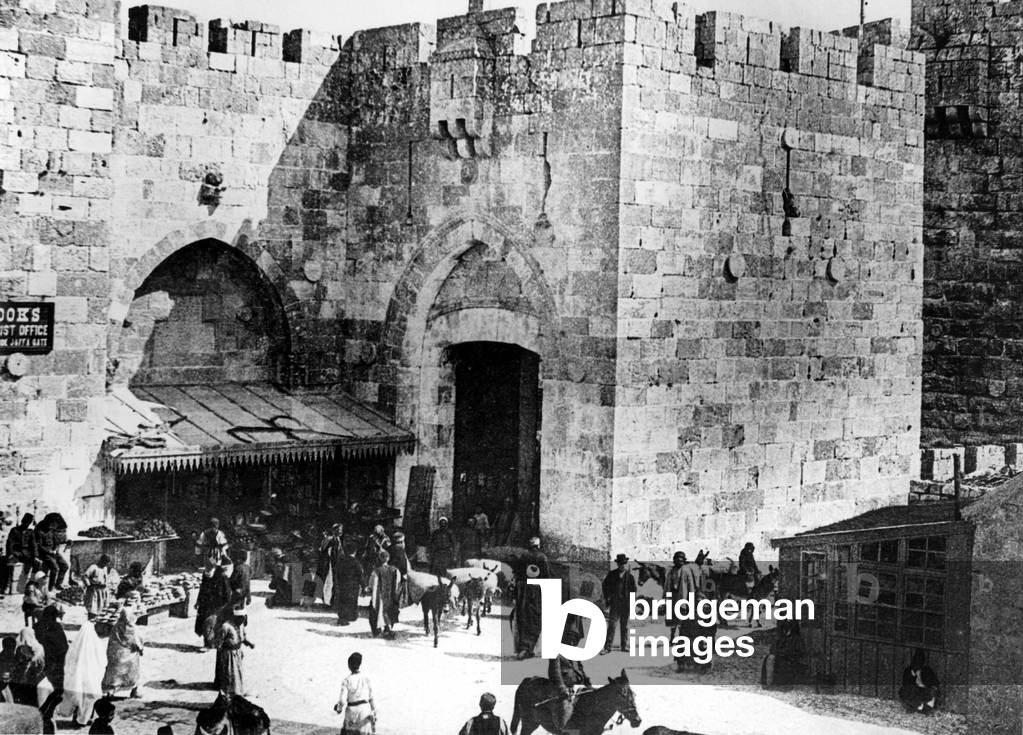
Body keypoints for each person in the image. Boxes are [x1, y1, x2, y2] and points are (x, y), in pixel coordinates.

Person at [55, 621, 106, 727]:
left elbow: (68, 660)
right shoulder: (96, 643)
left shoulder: (75, 645)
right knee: (90, 697)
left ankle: (76, 718)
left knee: (78, 697)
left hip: (77, 677)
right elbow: (103, 660)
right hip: (91, 677)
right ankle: (85, 719)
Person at [548, 615, 592, 732]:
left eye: (575, 638)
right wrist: (563, 689)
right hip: (563, 692)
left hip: (578, 690)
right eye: (570, 637)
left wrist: (588, 683)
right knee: (565, 710)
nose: (572, 641)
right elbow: (555, 673)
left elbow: (581, 670)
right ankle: (564, 731)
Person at [102, 607, 143, 699]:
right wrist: (140, 649)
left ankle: (111, 691)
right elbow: (137, 641)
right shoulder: (132, 628)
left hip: (117, 656)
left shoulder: (116, 627)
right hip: (130, 657)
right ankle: (134, 690)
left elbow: (111, 642)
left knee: (115, 676)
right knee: (133, 674)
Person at [601, 553, 636, 654]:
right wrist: (608, 597)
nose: (622, 566)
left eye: (624, 564)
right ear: (617, 564)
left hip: (626, 605)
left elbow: (633, 591)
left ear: (626, 564)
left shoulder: (630, 577)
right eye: (620, 564)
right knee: (612, 625)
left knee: (624, 626)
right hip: (615, 604)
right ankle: (608, 647)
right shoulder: (611, 574)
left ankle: (624, 646)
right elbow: (605, 586)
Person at [334, 652, 376, 735]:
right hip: (365, 710)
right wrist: (373, 711)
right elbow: (372, 697)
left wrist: (339, 708)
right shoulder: (366, 678)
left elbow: (342, 701)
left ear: (349, 665)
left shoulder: (346, 680)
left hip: (351, 712)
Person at [665, 551, 703, 641]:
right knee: (672, 619)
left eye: (681, 560)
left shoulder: (686, 571)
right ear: (674, 561)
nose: (679, 561)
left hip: (682, 597)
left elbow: (691, 585)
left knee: (682, 619)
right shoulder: (671, 572)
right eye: (677, 560)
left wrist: (692, 597)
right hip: (673, 597)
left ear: (683, 561)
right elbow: (666, 585)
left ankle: (681, 638)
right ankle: (672, 637)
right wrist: (665, 598)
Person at [195, 561, 231, 649]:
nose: (207, 572)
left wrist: (223, 607)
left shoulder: (222, 577)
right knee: (203, 624)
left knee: (210, 623)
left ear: (214, 569)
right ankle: (209, 643)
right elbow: (202, 589)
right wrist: (198, 602)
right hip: (205, 604)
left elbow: (227, 594)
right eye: (206, 570)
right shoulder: (206, 576)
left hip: (217, 605)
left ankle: (209, 645)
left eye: (209, 570)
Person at [34, 606, 67, 699]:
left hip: (42, 659)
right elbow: (63, 646)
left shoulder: (36, 626)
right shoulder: (57, 627)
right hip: (54, 660)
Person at [213, 612, 249, 696]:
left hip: (237, 653)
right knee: (229, 674)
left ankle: (237, 694)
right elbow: (218, 642)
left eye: (243, 618)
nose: (242, 621)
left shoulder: (241, 625)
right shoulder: (226, 626)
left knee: (238, 674)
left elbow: (242, 637)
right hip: (228, 654)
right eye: (240, 618)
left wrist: (249, 644)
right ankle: (228, 695)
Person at [763, 620, 806, 688]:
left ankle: (771, 682)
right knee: (770, 658)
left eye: (788, 627)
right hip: (780, 656)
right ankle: (769, 682)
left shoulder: (796, 639)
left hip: (790, 659)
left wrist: (783, 653)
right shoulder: (780, 637)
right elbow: (773, 648)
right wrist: (777, 653)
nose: (785, 630)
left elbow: (798, 652)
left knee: (772, 659)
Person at [9, 627, 45, 705]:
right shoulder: (39, 648)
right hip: (36, 678)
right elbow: (42, 665)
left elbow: (15, 664)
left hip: (21, 680)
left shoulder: (19, 649)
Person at [368, 550, 400, 638]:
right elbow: (398, 582)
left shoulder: (376, 571)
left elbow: (372, 584)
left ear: (380, 558)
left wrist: (371, 591)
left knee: (377, 612)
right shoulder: (395, 570)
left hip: (380, 595)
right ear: (388, 559)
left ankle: (377, 631)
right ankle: (388, 628)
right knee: (389, 611)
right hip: (391, 595)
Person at [514, 564, 543, 659]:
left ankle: (524, 650)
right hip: (535, 612)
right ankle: (527, 650)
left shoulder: (520, 584)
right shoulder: (539, 586)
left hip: (522, 611)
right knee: (534, 630)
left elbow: (514, 598)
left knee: (522, 629)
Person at [34, 514, 69, 591]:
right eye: (52, 524)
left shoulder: (52, 531)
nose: (53, 526)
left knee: (65, 566)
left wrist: (56, 549)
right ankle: (51, 587)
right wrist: (49, 551)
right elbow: (39, 546)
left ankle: (58, 584)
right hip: (44, 554)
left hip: (54, 552)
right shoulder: (40, 532)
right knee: (55, 568)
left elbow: (55, 541)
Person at [899, 648, 940, 713]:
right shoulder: (908, 670)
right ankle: (918, 706)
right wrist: (913, 675)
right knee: (904, 691)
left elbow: (935, 683)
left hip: (925, 691)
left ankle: (924, 707)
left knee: (932, 692)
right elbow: (905, 685)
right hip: (914, 692)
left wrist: (926, 686)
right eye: (916, 661)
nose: (918, 664)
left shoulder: (927, 670)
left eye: (920, 661)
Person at [335, 539, 363, 627]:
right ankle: (350, 616)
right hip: (353, 586)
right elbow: (360, 575)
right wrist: (364, 585)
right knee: (352, 601)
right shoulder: (356, 562)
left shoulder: (341, 561)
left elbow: (337, 572)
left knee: (343, 600)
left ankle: (342, 617)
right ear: (355, 551)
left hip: (342, 584)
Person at [5, 514, 36, 593]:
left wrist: (35, 556)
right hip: (16, 552)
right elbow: (9, 543)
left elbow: (34, 545)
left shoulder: (30, 532)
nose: (26, 524)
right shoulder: (14, 530)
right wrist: (10, 553)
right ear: (22, 521)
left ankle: (23, 586)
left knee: (33, 563)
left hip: (26, 554)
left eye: (28, 523)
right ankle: (7, 586)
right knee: (10, 564)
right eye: (25, 522)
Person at [83, 555, 111, 620]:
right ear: (101, 561)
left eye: (107, 563)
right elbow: (85, 576)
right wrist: (88, 585)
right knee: (93, 607)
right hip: (94, 590)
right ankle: (90, 622)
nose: (105, 564)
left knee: (101, 607)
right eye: (104, 562)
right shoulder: (93, 567)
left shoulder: (105, 568)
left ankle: (97, 622)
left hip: (102, 590)